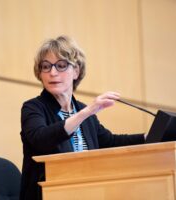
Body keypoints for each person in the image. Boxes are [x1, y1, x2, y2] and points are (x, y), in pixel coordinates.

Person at [19, 35, 145, 200]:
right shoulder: (34, 107)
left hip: (88, 191)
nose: (53, 72)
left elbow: (109, 142)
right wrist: (87, 112)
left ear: (76, 71)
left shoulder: (82, 110)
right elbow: (41, 138)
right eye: (46, 67)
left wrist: (149, 137)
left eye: (61, 65)